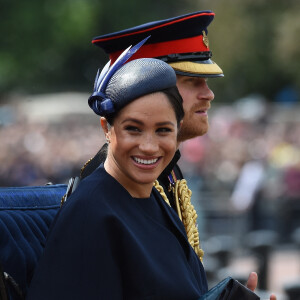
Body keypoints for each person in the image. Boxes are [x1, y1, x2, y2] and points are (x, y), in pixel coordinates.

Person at [83, 10, 276, 300]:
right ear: (145, 88)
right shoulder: (112, 190)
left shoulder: (164, 172)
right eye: (192, 81)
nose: (208, 94)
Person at [26, 40, 213, 299]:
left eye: (163, 130)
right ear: (106, 128)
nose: (149, 146)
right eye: (133, 129)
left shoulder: (152, 198)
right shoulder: (91, 214)